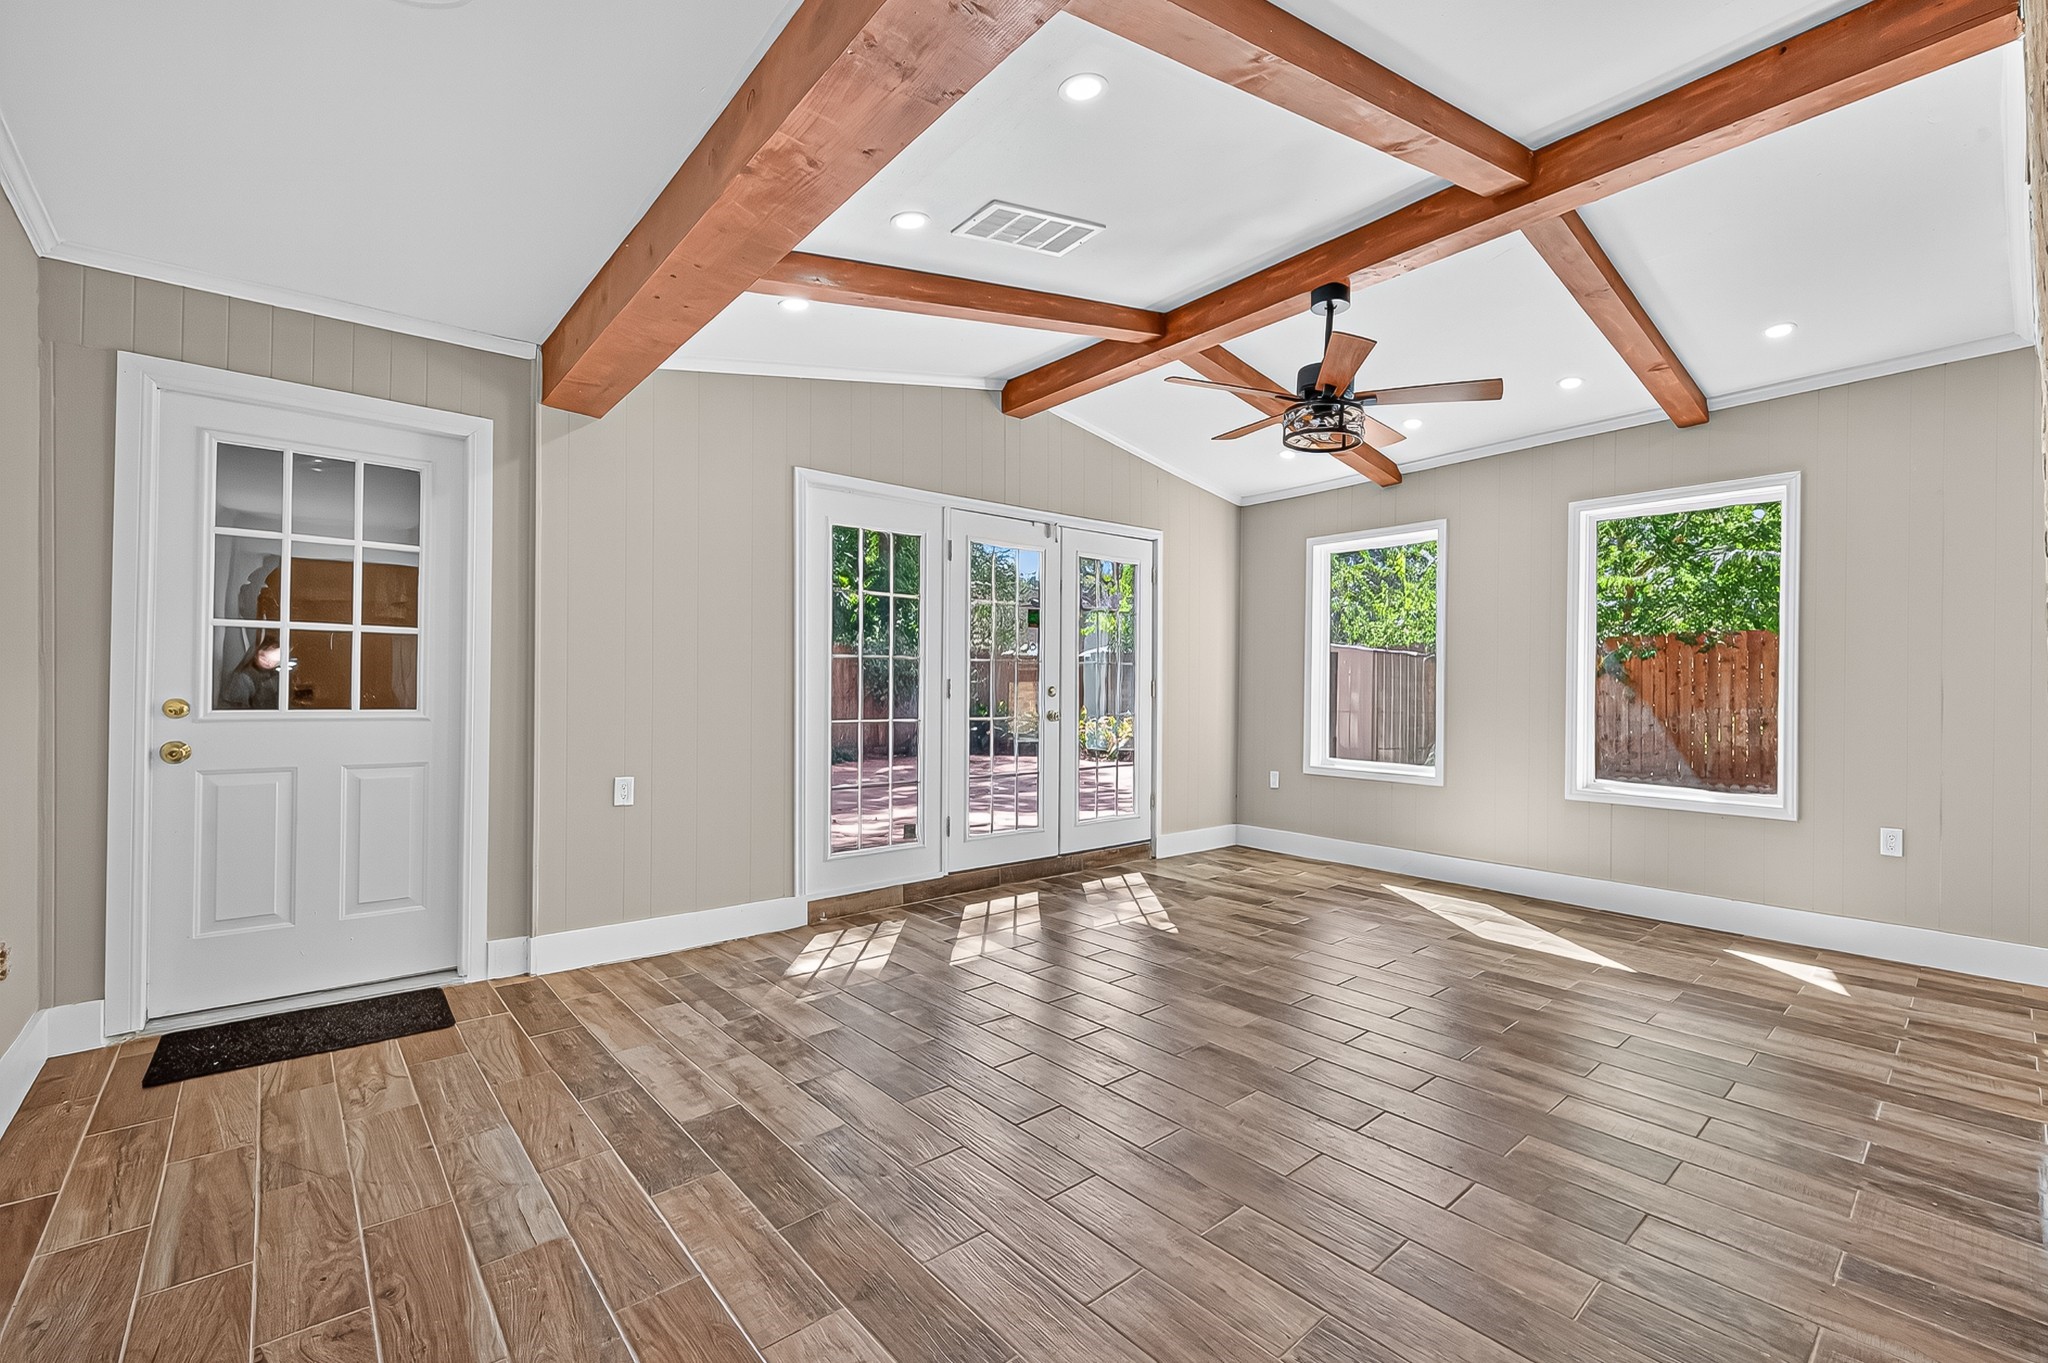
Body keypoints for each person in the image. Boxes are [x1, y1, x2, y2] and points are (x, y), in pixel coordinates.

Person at [220, 633, 283, 709]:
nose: (268, 663)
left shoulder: (274, 675)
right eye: (263, 656)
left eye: (274, 660)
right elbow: (238, 712)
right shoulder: (244, 678)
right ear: (256, 653)